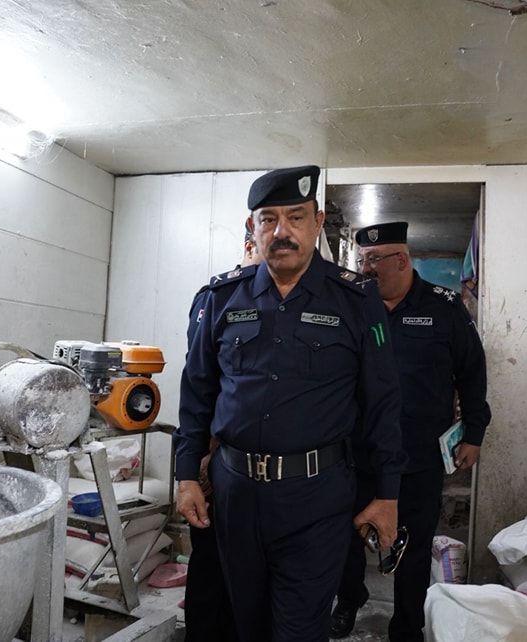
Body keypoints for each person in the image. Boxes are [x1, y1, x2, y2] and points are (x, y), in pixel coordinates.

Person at [174, 165, 406, 642]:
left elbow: (382, 402)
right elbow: (197, 391)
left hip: (316, 498)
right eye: (269, 219)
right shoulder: (223, 297)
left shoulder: (355, 299)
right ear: (252, 227)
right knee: (245, 623)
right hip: (235, 495)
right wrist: (185, 476)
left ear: (317, 223)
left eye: (296, 217)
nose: (282, 231)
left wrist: (387, 495)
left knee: (299, 629)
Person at [331, 221, 492, 641]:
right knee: (345, 536)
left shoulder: (443, 307)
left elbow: (472, 372)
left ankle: (406, 625)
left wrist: (474, 432)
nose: (365, 269)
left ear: (401, 260)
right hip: (357, 451)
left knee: (413, 544)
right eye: (361, 260)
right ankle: (349, 598)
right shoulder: (352, 306)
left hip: (416, 455)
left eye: (373, 260)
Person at [182, 219, 261, 642]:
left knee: (247, 577)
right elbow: (203, 387)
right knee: (211, 567)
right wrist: (201, 460)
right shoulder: (217, 298)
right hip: (217, 459)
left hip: (250, 471)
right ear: (249, 247)